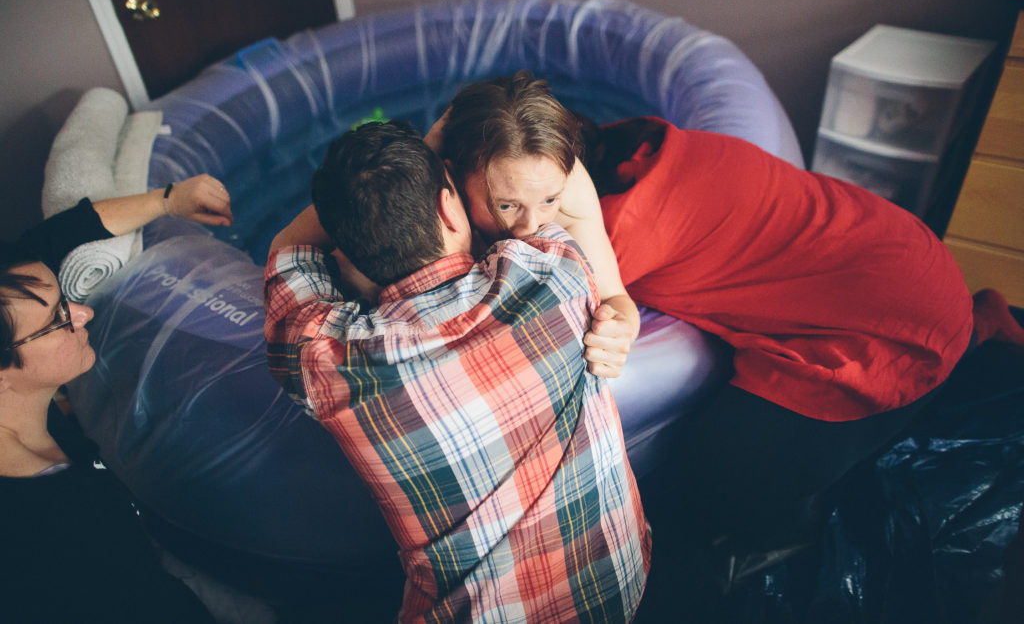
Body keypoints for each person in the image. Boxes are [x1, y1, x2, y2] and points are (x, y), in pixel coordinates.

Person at [431, 71, 1024, 550]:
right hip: (907, 254)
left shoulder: (612, 232)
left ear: (572, 176)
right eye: (507, 203)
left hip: (888, 329)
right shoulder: (642, 140)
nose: (533, 224)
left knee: (709, 489)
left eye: (550, 202)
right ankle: (974, 334)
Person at [263, 121, 651, 623]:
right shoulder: (552, 271)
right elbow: (558, 182)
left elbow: (285, 250)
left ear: (347, 252)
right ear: (450, 206)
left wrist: (368, 196)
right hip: (618, 586)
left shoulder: (323, 357)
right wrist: (432, 158)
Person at [1, 174, 232, 622]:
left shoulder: (16, 360)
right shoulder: (63, 530)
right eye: (58, 318)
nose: (83, 313)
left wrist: (169, 200)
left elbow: (54, 238)